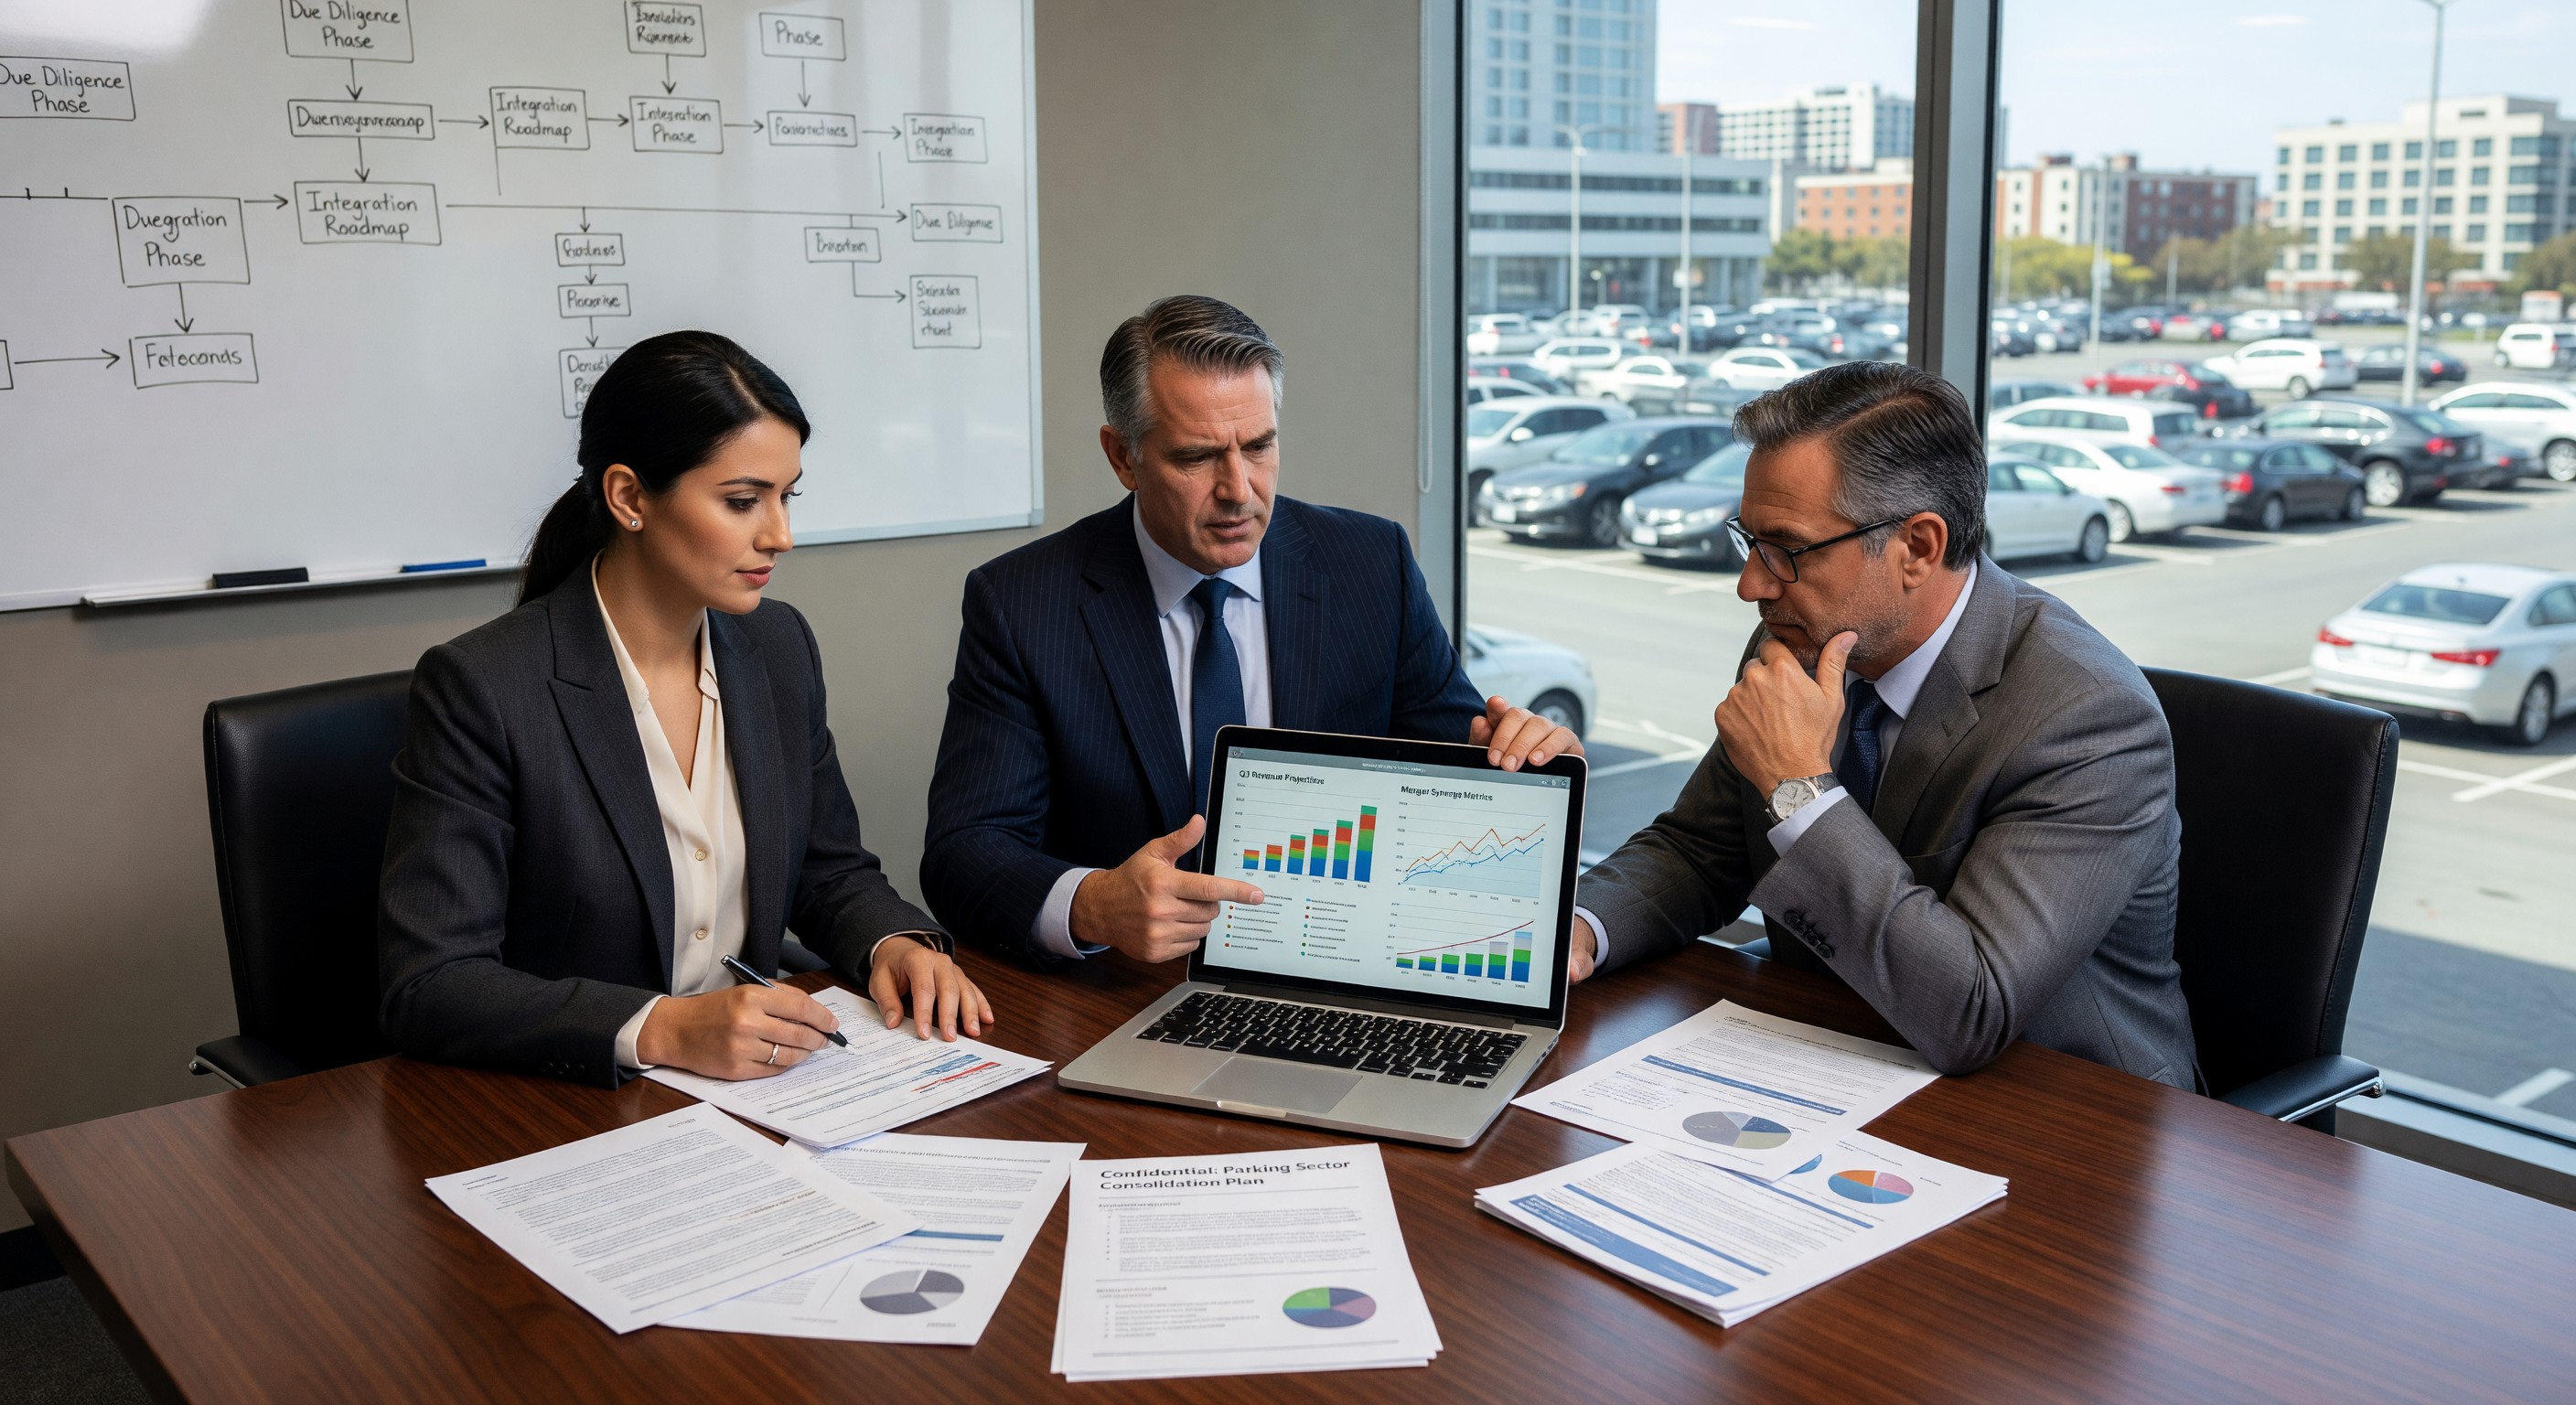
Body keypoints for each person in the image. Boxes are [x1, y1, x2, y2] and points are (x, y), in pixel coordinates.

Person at [380, 330, 992, 1088]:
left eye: (787, 496)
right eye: (742, 501)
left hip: (762, 1088)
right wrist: (663, 1027)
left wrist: (893, 943)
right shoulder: (483, 686)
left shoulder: (778, 647)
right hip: (572, 1098)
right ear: (629, 497)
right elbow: (431, 983)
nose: (781, 535)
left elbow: (828, 871)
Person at [1572, 360, 2196, 1087]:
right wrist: (1580, 929)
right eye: (1751, 541)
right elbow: (1702, 849)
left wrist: (1798, 788)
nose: (1752, 585)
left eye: (1788, 550)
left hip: (2061, 1101)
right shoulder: (1800, 640)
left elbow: (1972, 1011)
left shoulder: (2089, 717)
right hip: (1841, 1055)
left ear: (1919, 548)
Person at [924, 294, 1580, 965]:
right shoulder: (1022, 603)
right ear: (1123, 457)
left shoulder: (1371, 565)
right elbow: (964, 850)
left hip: (1337, 961)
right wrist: (1093, 903)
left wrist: (1534, 771)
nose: (1239, 489)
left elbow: (1465, 786)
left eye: (1259, 447)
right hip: (1129, 987)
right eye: (1197, 457)